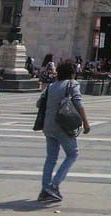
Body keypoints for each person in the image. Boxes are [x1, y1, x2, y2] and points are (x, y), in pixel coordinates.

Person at [38, 60, 91, 202]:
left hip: (48, 126)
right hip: (63, 125)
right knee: (73, 154)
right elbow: (78, 102)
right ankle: (54, 185)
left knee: (51, 158)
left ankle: (44, 190)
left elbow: (39, 103)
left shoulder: (50, 86)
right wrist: (86, 122)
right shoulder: (72, 84)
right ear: (72, 73)